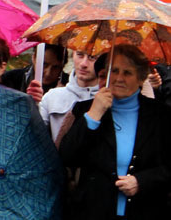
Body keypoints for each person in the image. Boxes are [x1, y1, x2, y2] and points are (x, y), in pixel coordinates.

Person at [59, 44, 171, 220]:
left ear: (141, 78)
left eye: (127, 73)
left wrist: (142, 181)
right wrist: (93, 115)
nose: (119, 78)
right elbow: (67, 156)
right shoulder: (85, 109)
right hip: (94, 210)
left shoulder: (160, 115)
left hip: (144, 211)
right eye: (115, 71)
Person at [39, 50, 99, 141]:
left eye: (92, 57)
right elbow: (36, 135)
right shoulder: (52, 96)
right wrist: (33, 105)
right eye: (80, 55)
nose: (83, 64)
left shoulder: (110, 101)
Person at [2, 44, 69, 100]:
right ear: (34, 58)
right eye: (44, 64)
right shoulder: (11, 79)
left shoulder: (69, 87)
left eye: (55, 67)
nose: (48, 73)